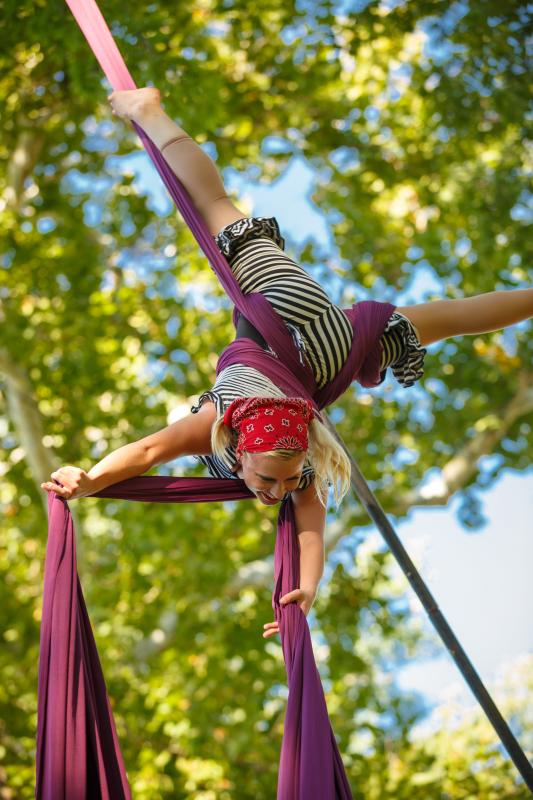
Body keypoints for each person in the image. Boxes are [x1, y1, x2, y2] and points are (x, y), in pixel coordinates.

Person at [41, 87, 533, 635]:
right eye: (276, 480)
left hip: (332, 346)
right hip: (289, 317)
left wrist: (90, 480)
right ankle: (150, 112)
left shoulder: (288, 454)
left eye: (276, 481)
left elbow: (159, 457)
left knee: (446, 319)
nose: (274, 490)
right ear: (250, 450)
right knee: (213, 206)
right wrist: (91, 479)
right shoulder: (232, 428)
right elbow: (156, 452)